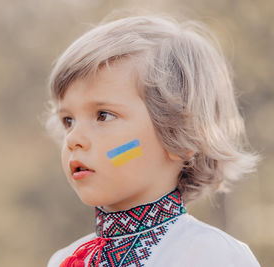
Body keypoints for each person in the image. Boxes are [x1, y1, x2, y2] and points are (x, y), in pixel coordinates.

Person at [41, 13, 261, 267]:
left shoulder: (214, 256)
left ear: (181, 132)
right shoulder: (66, 260)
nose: (73, 139)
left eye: (103, 115)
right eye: (68, 120)